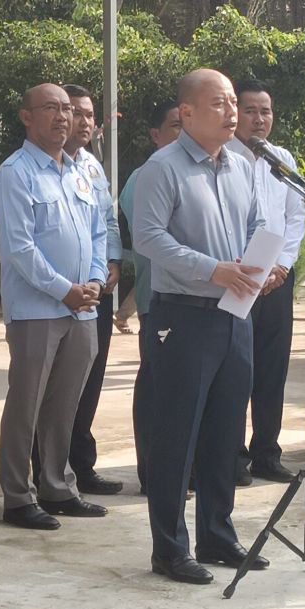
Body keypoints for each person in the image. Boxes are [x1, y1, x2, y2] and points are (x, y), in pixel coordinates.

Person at [134, 69, 267, 585]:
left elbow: (257, 223)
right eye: (219, 103)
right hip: (183, 315)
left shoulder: (241, 165)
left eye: (234, 102)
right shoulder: (162, 168)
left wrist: (262, 262)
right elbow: (148, 237)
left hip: (236, 313)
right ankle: (169, 548)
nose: (232, 112)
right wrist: (212, 269)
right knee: (176, 435)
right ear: (186, 112)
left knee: (225, 431)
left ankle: (217, 533)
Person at [0, 83, 109, 531]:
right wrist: (64, 290)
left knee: (64, 405)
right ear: (26, 116)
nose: (63, 117)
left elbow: (97, 231)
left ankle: (58, 486)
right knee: (27, 403)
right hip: (37, 310)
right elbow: (19, 248)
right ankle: (18, 497)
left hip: (83, 307)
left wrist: (95, 279)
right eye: (51, 109)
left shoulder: (79, 171)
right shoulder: (15, 173)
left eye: (67, 110)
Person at [35, 83, 123, 496]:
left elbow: (107, 221)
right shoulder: (37, 169)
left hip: (95, 289)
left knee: (90, 378)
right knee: (51, 388)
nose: (84, 122)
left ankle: (80, 462)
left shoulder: (91, 167)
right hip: (54, 295)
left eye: (90, 115)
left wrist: (111, 263)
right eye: (77, 113)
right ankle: (45, 468)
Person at [225, 79, 305, 484]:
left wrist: (283, 266)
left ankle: (266, 453)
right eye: (251, 111)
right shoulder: (223, 158)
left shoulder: (281, 159)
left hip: (276, 281)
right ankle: (232, 457)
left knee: (273, 370)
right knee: (237, 370)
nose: (259, 119)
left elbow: (295, 216)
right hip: (237, 279)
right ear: (235, 112)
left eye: (266, 111)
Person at [119, 99, 181, 493]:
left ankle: (182, 469)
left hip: (194, 298)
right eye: (175, 125)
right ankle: (152, 472)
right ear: (155, 135)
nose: (183, 132)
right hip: (159, 298)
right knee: (158, 387)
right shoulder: (144, 177)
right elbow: (152, 240)